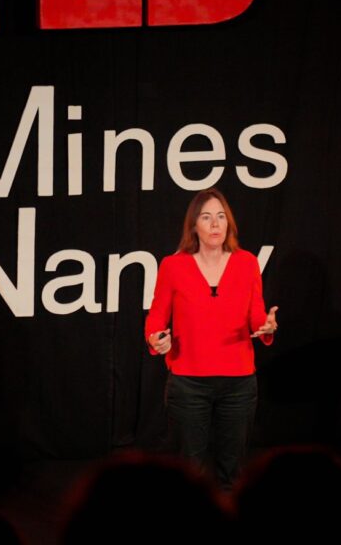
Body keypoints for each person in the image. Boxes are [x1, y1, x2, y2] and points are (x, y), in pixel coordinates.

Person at [145, 187, 278, 490]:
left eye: (221, 217)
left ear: (229, 223)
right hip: (188, 383)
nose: (216, 224)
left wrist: (266, 326)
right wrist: (156, 339)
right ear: (194, 225)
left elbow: (256, 315)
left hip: (239, 383)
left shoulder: (246, 263)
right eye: (207, 217)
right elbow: (156, 317)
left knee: (232, 472)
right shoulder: (173, 265)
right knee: (189, 472)